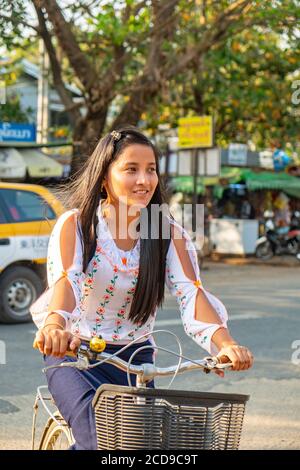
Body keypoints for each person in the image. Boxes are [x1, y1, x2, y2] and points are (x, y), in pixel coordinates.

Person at [31, 127, 253, 450]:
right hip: (75, 355)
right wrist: (54, 327)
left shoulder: (166, 233)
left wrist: (226, 343)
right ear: (105, 177)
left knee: (146, 447)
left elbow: (191, 292)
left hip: (136, 359)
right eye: (131, 169)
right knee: (101, 444)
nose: (144, 180)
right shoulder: (77, 226)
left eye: (151, 170)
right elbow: (67, 281)